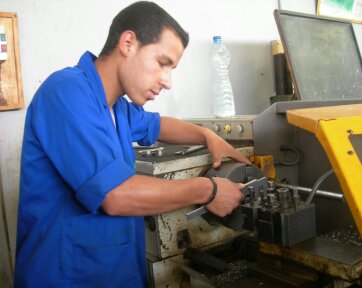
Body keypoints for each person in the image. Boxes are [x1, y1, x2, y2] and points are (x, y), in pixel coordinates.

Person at [14, 1, 251, 287]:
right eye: (163, 64)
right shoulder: (66, 92)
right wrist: (209, 190)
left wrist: (208, 135)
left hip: (118, 273)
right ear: (128, 43)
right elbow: (116, 196)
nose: (168, 81)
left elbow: (158, 124)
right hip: (66, 277)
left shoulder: (118, 107)